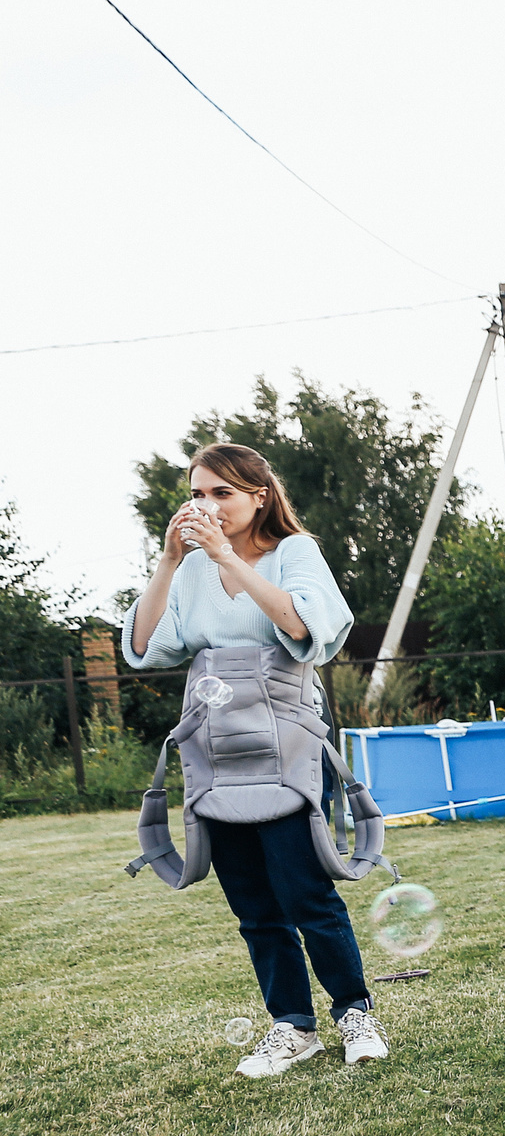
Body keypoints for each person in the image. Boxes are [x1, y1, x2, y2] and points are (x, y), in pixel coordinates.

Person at [124, 443, 383, 1079]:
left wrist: (224, 557)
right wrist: (169, 561)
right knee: (250, 899)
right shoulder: (187, 570)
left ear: (259, 495)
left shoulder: (294, 553)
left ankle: (354, 1012)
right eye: (198, 494)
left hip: (286, 735)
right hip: (215, 741)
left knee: (304, 887)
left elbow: (302, 628)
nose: (206, 506)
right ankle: (293, 1027)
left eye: (222, 493)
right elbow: (142, 647)